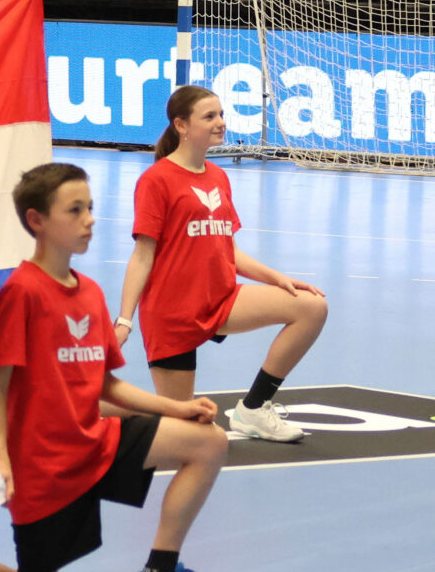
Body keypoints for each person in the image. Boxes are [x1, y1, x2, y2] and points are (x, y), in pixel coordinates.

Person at [0, 161, 240, 572]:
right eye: (75, 210)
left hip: (95, 442)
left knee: (208, 443)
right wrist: (1, 458)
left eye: (90, 207)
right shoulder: (21, 293)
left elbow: (106, 383)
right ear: (37, 221)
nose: (90, 219)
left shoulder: (89, 292)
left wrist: (176, 407)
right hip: (46, 465)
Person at [119, 85, 330, 443]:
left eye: (220, 114)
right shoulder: (156, 180)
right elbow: (142, 256)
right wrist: (125, 320)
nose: (220, 122)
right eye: (209, 116)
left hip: (220, 299)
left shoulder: (218, 177)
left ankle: (254, 409)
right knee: (187, 431)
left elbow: (229, 251)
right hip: (173, 313)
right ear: (181, 125)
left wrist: (278, 279)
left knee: (311, 307)